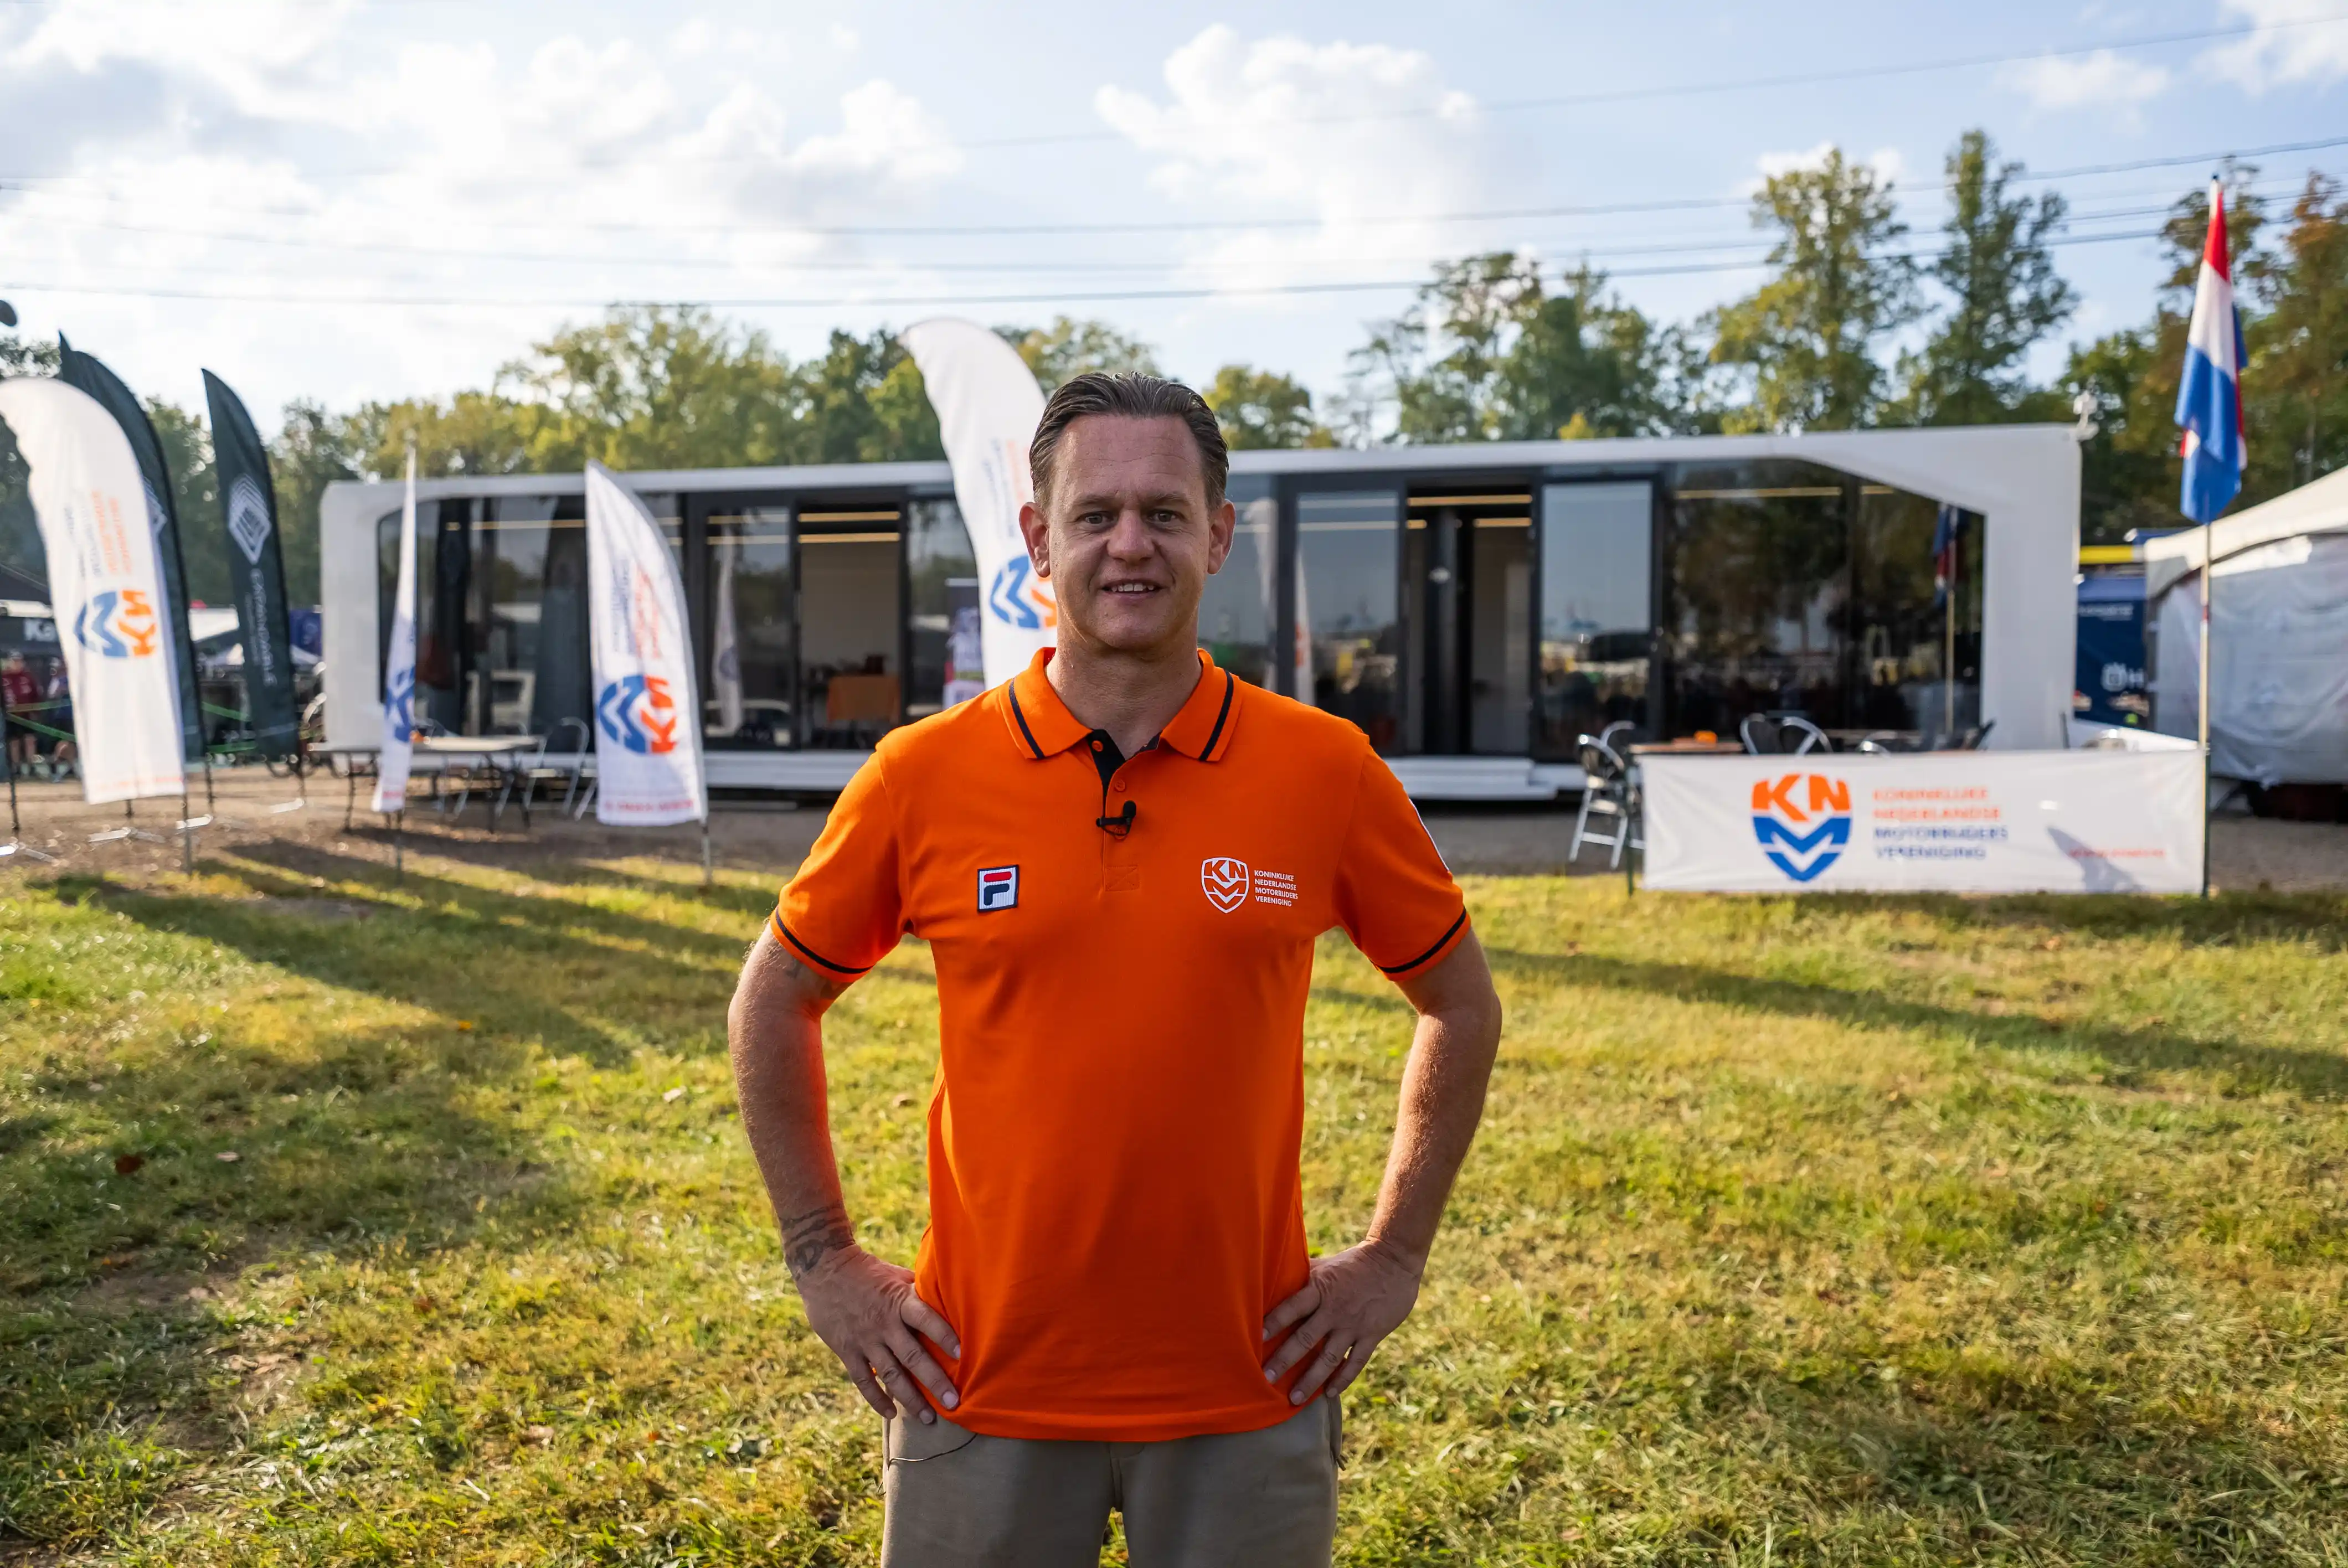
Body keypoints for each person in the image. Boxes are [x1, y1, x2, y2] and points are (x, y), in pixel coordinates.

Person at [728, 373, 1503, 1567]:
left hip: (1249, 1386)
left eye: (1163, 513)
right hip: (975, 1382)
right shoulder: (919, 775)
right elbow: (776, 995)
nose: (1128, 545)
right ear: (1039, 538)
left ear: (1219, 534)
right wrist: (823, 1260)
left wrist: (1392, 1258)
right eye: (1094, 515)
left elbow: (1457, 1001)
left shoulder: (1324, 769)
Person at [1, 652, 39, 777]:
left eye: (19, 661)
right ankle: (16, 767)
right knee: (14, 742)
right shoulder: (4, 677)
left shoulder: (27, 677)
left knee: (30, 740)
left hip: (27, 714)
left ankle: (31, 766)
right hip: (11, 715)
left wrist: (36, 711)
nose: (17, 663)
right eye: (14, 661)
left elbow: (36, 695)